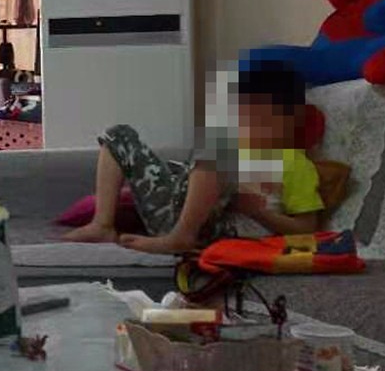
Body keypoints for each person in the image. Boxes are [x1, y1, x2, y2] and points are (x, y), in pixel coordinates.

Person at [63, 62, 324, 256]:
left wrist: (259, 212)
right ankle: (102, 224)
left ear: (291, 118)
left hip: (217, 230)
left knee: (216, 148)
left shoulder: (295, 163)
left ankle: (181, 238)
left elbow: (306, 228)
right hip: (170, 211)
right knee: (118, 134)